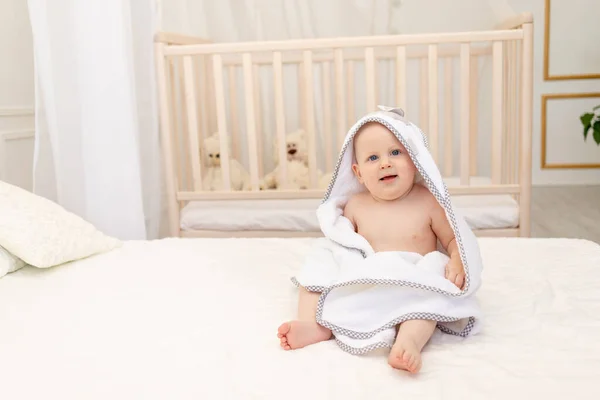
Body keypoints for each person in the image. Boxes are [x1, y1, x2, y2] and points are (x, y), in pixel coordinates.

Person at [277, 121, 466, 374]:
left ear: (414, 160)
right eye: (373, 157)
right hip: (366, 281)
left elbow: (453, 240)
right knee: (319, 261)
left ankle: (408, 341)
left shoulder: (428, 202)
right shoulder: (356, 205)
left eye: (395, 152)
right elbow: (342, 245)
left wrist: (456, 259)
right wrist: (335, 262)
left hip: (410, 284)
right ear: (358, 173)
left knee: (429, 296)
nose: (385, 163)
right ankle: (313, 324)